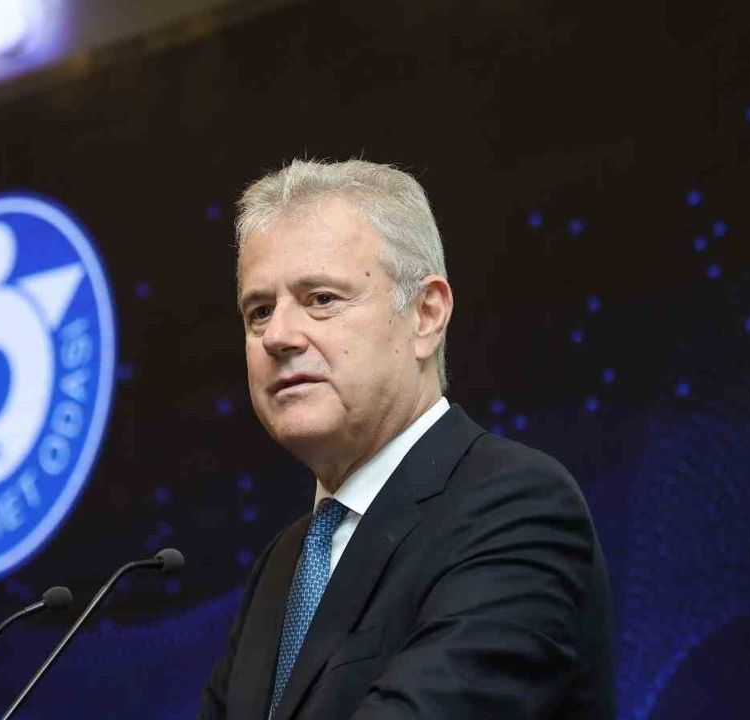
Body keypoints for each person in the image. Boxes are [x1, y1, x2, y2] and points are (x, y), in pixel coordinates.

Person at [199, 159, 613, 719]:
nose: (278, 335)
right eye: (259, 311)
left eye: (321, 298)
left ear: (426, 314)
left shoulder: (516, 506)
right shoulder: (283, 566)